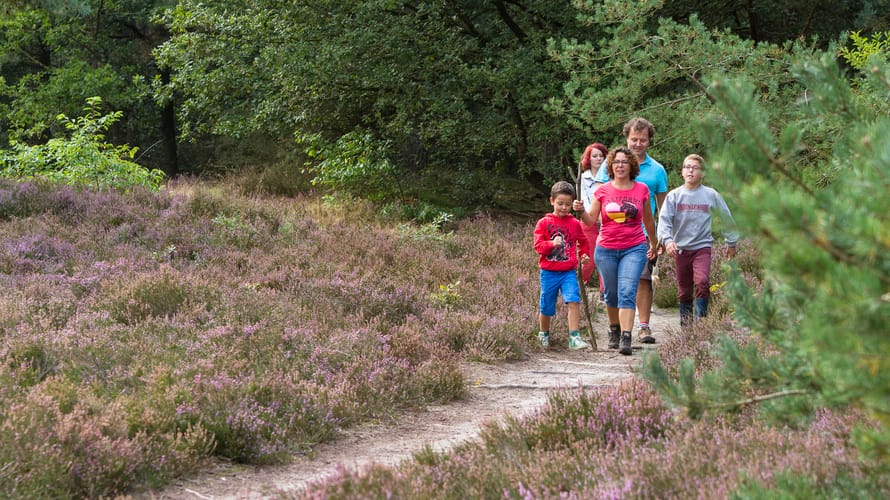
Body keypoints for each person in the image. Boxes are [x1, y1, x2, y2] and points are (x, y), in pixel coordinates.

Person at [593, 118, 667, 344]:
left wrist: (661, 238)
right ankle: (616, 328)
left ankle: (643, 327)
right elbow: (598, 200)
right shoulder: (612, 165)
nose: (638, 144)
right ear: (627, 138)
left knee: (643, 280)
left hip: (642, 235)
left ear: (649, 141)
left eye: (642, 140)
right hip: (611, 235)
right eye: (634, 139)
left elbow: (663, 206)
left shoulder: (657, 170)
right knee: (613, 289)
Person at [582, 147, 657, 355]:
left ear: (631, 165)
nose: (620, 165)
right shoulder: (603, 190)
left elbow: (648, 220)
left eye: (624, 162)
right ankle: (614, 329)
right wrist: (580, 211)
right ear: (611, 166)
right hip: (605, 249)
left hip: (634, 247)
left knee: (627, 291)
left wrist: (653, 242)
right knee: (610, 293)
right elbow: (590, 219)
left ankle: (626, 336)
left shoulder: (641, 189)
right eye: (616, 162)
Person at [657, 154, 739, 326]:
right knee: (684, 291)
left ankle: (701, 324)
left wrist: (731, 242)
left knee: (702, 282)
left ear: (702, 173)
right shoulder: (674, 196)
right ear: (682, 171)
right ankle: (686, 328)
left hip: (702, 247)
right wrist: (667, 241)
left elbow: (726, 218)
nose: (691, 171)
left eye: (695, 168)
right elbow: (664, 221)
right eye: (687, 167)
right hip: (680, 249)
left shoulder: (711, 195)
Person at [533, 181, 592, 350]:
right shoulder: (543, 223)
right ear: (552, 201)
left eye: (567, 204)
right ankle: (544, 333)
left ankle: (574, 337)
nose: (564, 208)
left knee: (573, 300)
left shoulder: (574, 223)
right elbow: (538, 247)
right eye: (560, 204)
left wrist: (584, 254)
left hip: (568, 272)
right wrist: (551, 244)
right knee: (546, 305)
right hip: (549, 272)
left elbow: (583, 241)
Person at [578, 142, 608, 286]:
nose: (598, 159)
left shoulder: (611, 177)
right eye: (594, 156)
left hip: (607, 222)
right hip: (588, 222)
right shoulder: (583, 178)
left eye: (601, 156)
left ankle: (605, 293)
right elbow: (583, 199)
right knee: (588, 259)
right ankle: (578, 288)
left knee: (605, 258)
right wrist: (594, 215)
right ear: (588, 159)